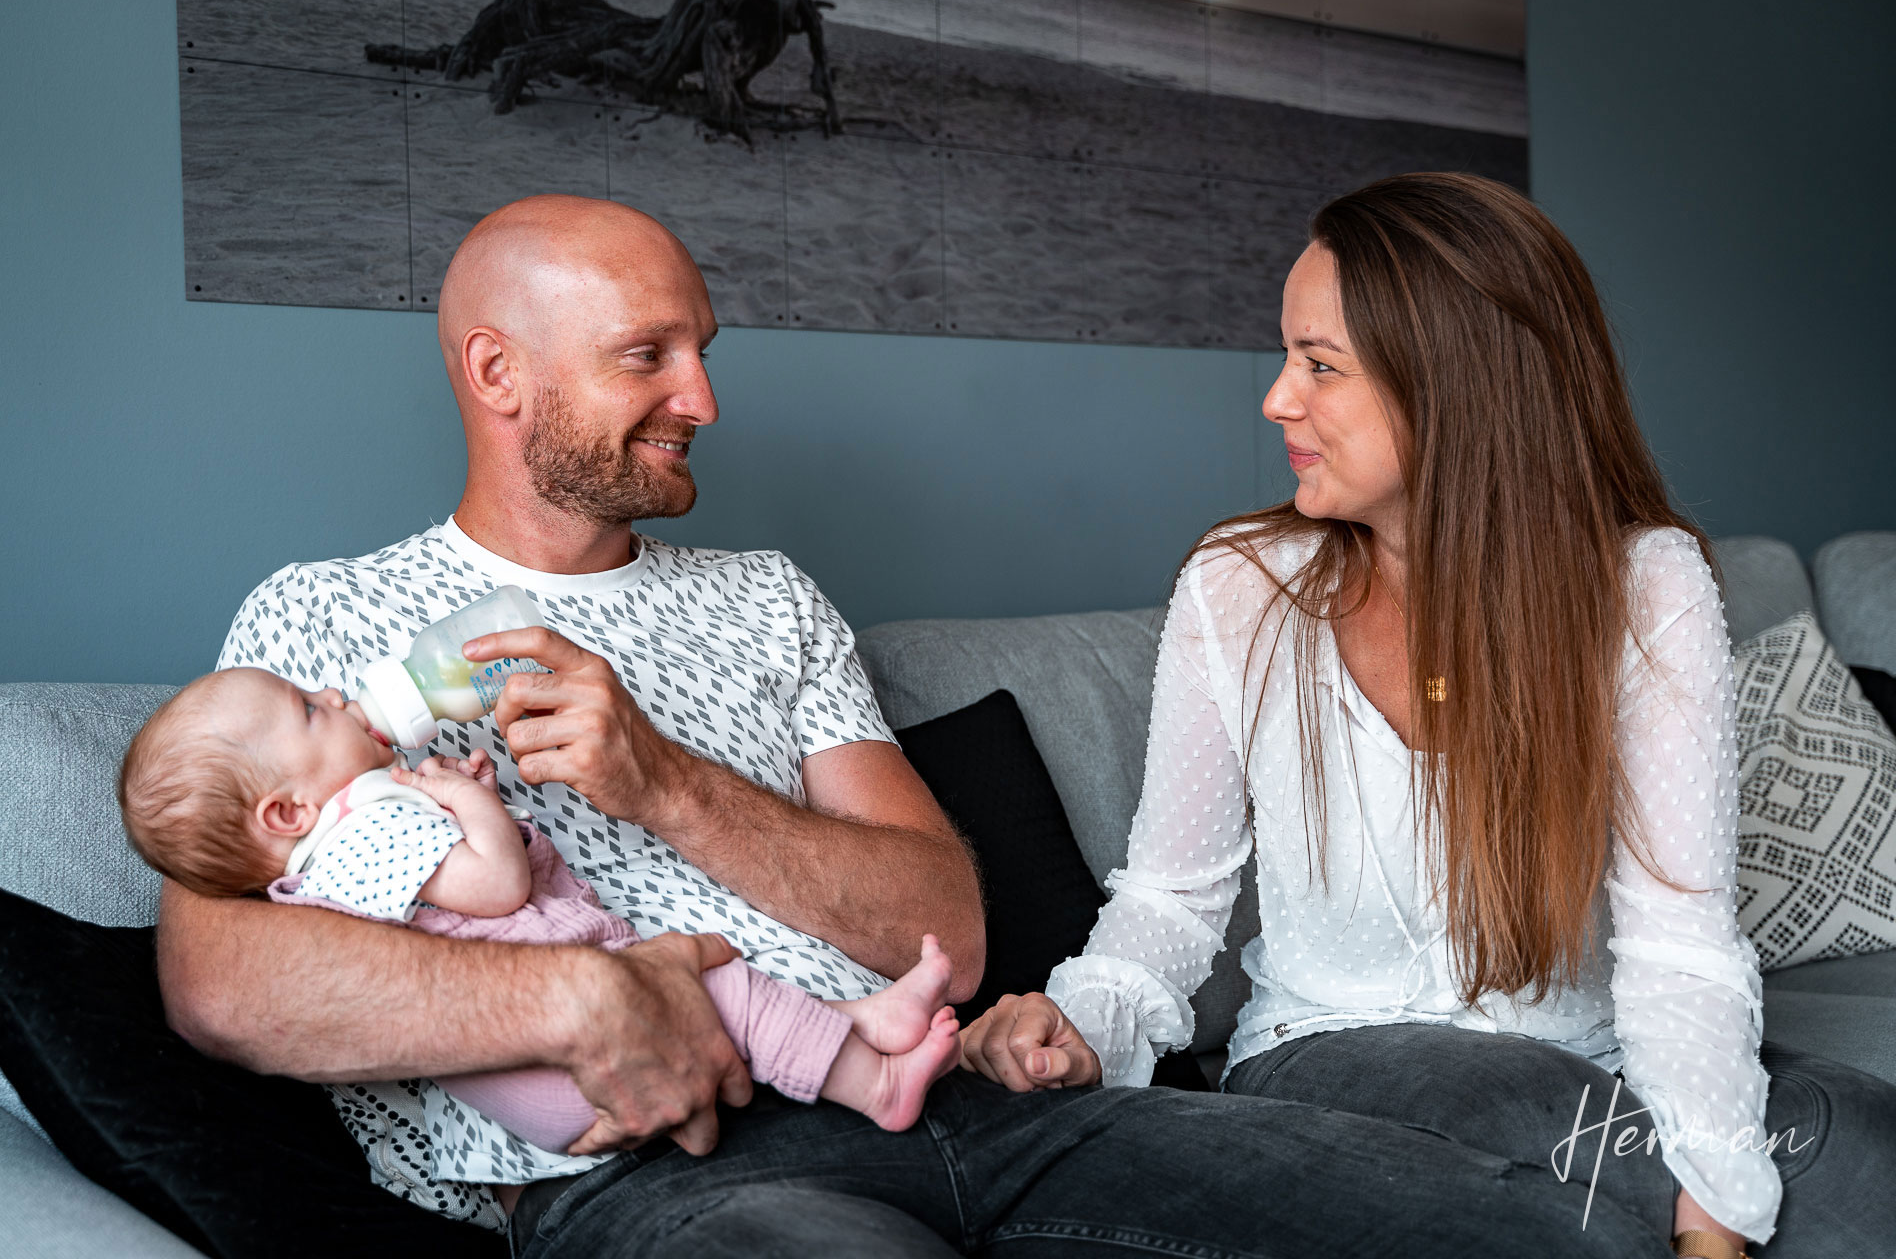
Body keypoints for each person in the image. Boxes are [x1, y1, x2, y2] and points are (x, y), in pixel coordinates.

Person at [160, 192, 1676, 1257]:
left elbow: (938, 912)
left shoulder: (764, 599)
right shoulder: (317, 634)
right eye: (648, 356)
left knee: (1506, 1225)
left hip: (951, 1094)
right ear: (499, 370)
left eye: (703, 348)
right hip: (659, 1166)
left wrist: (665, 782)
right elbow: (218, 978)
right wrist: (577, 1009)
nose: (702, 394)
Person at [957, 172, 1896, 1259]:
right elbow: (1172, 896)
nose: (1276, 398)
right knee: (1579, 1142)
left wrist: (1718, 1195)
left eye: (1319, 364)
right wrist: (1085, 1024)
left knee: (1856, 1137)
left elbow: (1681, 944)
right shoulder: (1240, 586)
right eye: (1287, 356)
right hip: (1330, 1049)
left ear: (1454, 387)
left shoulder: (1647, 584)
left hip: (1596, 1057)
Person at [120, 665, 964, 1173]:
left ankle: (860, 1020)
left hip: (550, 1079)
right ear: (283, 814)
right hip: (573, 1069)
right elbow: (493, 889)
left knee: (719, 989)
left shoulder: (345, 836)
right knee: (719, 992)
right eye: (309, 709)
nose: (334, 691)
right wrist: (463, 801)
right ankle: (877, 1082)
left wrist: (466, 802)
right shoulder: (358, 831)